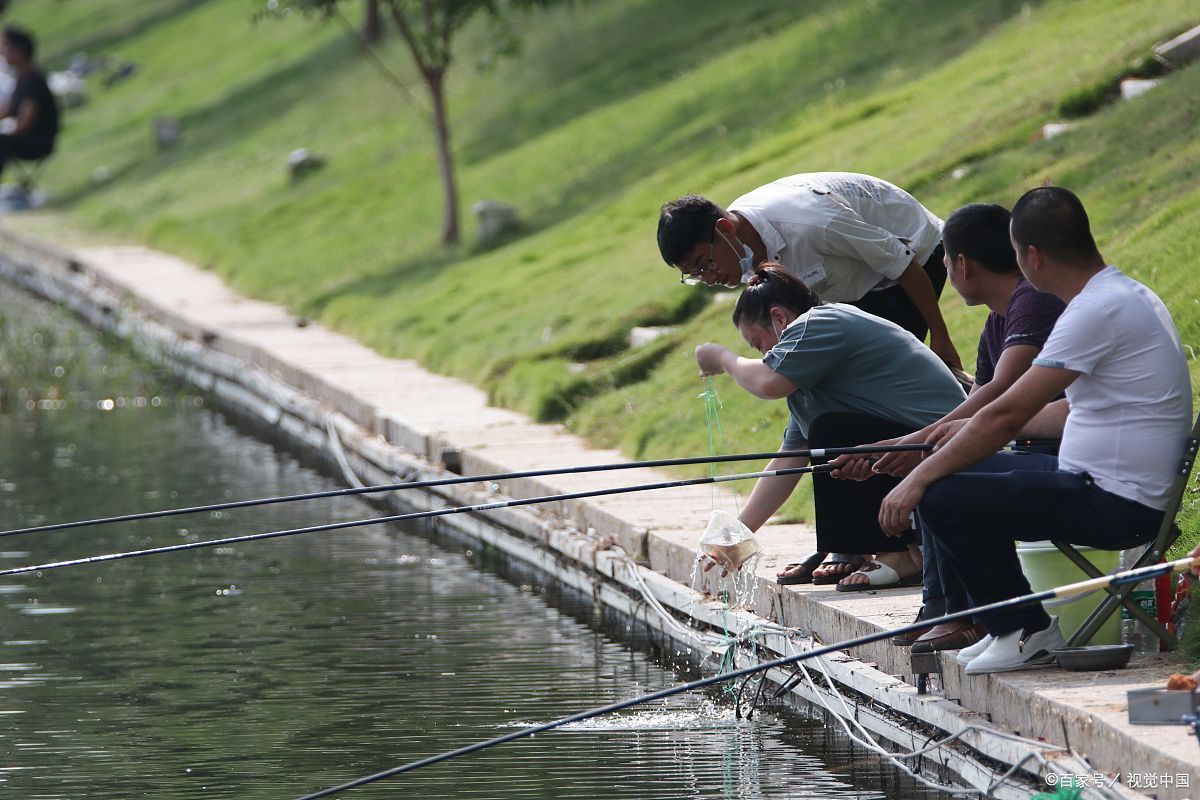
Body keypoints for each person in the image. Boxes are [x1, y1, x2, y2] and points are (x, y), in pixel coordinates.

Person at [878, 187, 1192, 674]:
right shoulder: (1120, 294)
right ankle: (1006, 622)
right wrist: (958, 434)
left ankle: (1022, 628)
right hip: (1101, 482)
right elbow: (1066, 412)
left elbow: (1006, 413)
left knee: (939, 495)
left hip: (1117, 502)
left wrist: (917, 477)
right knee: (954, 469)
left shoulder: (1094, 310)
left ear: (1033, 256)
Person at [831, 203, 1065, 648]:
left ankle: (968, 614)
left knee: (941, 478)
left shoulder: (1031, 301)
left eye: (944, 261)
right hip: (1032, 448)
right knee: (936, 463)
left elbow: (1002, 394)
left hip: (1060, 451)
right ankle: (944, 607)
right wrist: (900, 447)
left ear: (962, 264)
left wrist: (914, 448)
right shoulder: (1000, 319)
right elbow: (980, 399)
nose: (946, 271)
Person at [694, 265, 964, 590]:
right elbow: (787, 462)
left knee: (831, 432)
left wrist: (721, 357)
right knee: (824, 437)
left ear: (779, 318)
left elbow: (767, 384)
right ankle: (886, 549)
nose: (766, 356)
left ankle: (898, 553)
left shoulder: (819, 324)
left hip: (947, 442)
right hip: (910, 446)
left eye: (759, 345)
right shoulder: (810, 378)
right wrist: (735, 540)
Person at [658, 172, 962, 370]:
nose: (709, 278)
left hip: (914, 255)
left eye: (705, 263)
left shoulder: (809, 224)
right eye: (696, 275)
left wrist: (940, 337)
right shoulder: (737, 249)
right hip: (852, 285)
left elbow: (901, 262)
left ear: (724, 228)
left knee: (883, 371)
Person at [0, 26, 58, 182]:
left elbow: (24, 123)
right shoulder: (21, 78)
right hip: (22, 138)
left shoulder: (33, 80)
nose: (3, 50)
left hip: (38, 142)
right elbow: (6, 110)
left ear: (20, 50)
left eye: (7, 45)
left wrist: (6, 129)